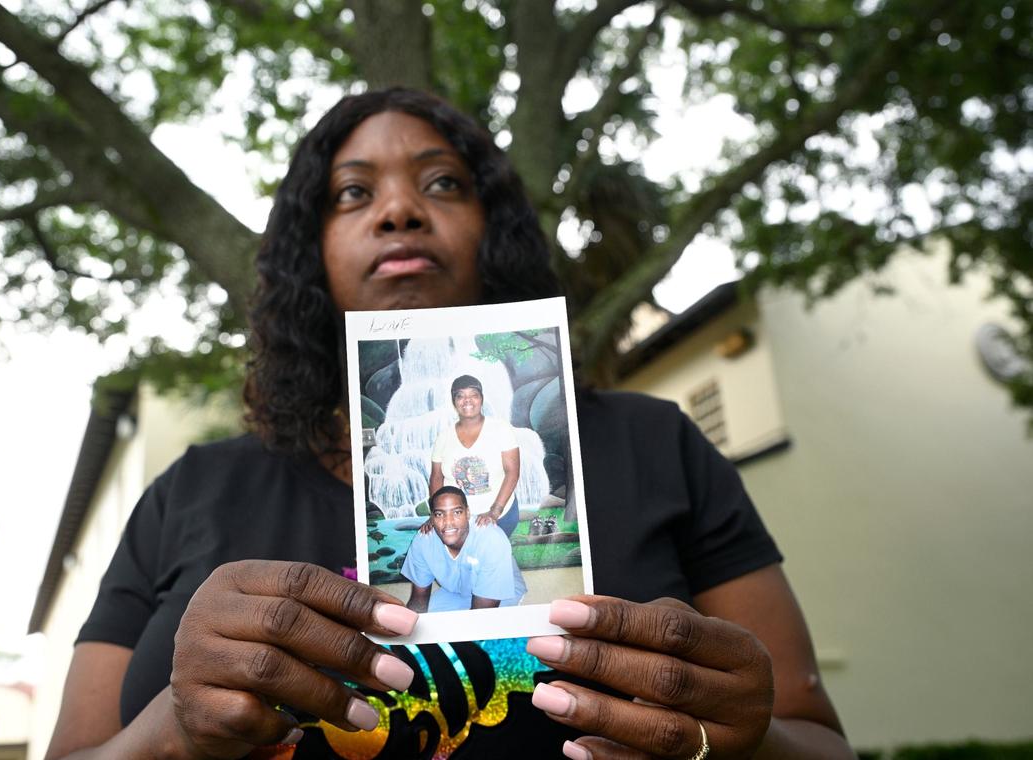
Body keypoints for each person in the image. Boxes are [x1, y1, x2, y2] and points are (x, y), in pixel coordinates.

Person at [45, 88, 854, 760]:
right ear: (310, 252)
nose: (398, 209)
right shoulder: (190, 490)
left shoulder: (657, 444)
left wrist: (744, 742)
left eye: (441, 184)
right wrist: (172, 727)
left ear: (493, 232)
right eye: (353, 193)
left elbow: (820, 744)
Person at [402, 486, 526, 612]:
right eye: (439, 514)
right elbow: (418, 600)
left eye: (457, 512)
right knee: (427, 623)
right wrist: (412, 627)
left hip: (499, 594)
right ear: (432, 518)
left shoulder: (491, 539)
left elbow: (482, 614)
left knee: (484, 628)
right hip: (455, 592)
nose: (448, 522)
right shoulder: (424, 541)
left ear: (467, 513)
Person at [429, 375, 521, 537]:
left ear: (481, 399)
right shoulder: (443, 437)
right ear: (454, 401)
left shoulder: (501, 429)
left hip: (501, 515)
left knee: (493, 560)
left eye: (473, 395)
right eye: (461, 396)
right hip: (458, 520)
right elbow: (436, 478)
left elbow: (512, 472)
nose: (467, 400)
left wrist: (494, 512)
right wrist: (437, 514)